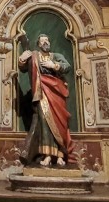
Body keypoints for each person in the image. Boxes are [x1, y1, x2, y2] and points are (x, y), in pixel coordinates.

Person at [18, 34, 75, 167]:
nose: (45, 43)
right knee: (44, 123)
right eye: (42, 41)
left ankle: (61, 154)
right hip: (42, 92)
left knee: (60, 123)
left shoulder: (56, 56)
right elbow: (23, 68)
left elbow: (67, 66)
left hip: (57, 92)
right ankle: (48, 155)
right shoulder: (34, 56)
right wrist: (22, 59)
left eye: (47, 40)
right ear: (38, 44)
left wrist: (54, 65)